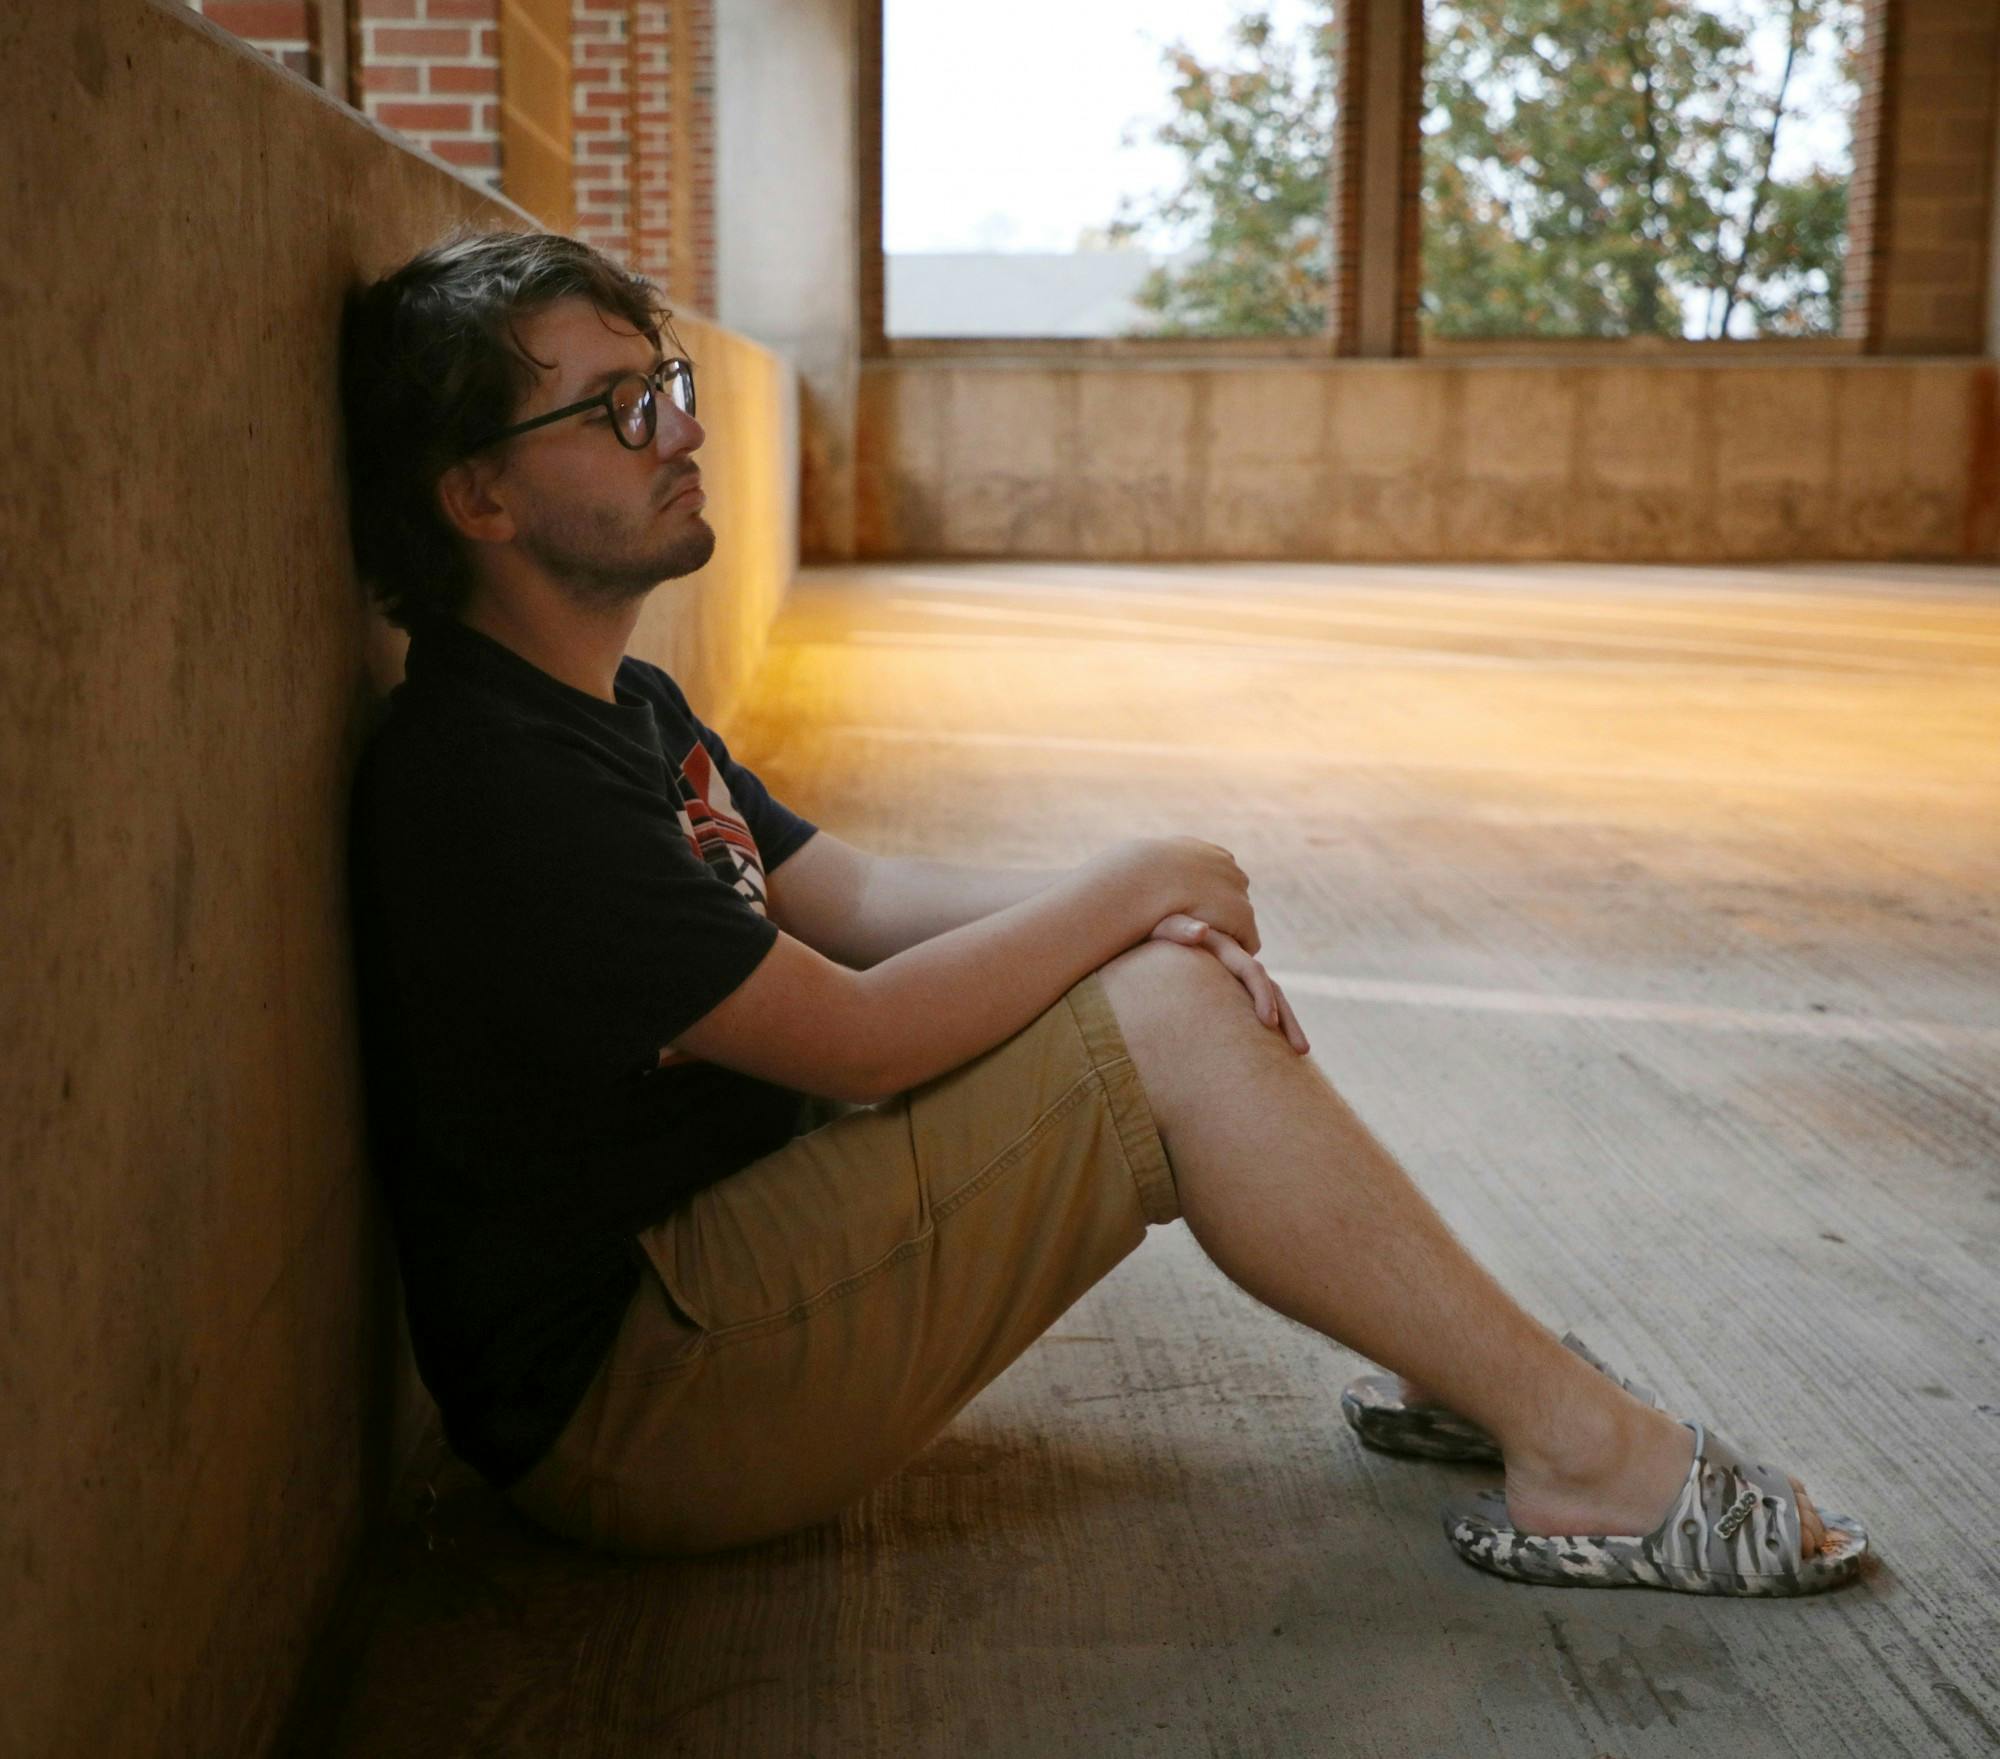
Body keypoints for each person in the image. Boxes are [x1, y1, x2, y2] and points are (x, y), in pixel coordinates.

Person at [340, 227, 1865, 1595]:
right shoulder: (492, 777)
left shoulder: (619, 704)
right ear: (478, 493)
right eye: (615, 409)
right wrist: (1131, 894)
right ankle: (1589, 1457)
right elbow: (859, 1039)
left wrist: (1130, 911)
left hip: (716, 1286)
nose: (678, 432)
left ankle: (1480, 1371)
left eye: (665, 385)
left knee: (1154, 986)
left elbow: (857, 896)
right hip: (645, 1404)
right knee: (1165, 1022)